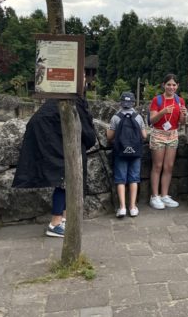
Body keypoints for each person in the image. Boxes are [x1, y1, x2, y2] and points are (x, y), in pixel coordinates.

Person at [13, 97, 97, 238]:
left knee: (65, 181)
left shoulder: (59, 98)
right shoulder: (74, 100)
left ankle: (65, 218)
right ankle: (55, 223)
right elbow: (87, 133)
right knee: (64, 180)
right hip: (56, 142)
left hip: (51, 138)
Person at [148, 73, 187, 210]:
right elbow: (152, 120)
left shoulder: (180, 100)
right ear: (163, 85)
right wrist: (162, 112)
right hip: (158, 134)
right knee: (157, 166)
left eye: (174, 85)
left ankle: (164, 195)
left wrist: (184, 115)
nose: (171, 87)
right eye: (169, 84)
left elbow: (182, 122)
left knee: (169, 166)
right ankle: (155, 196)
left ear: (177, 86)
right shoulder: (157, 100)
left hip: (173, 134)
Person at [107, 91, 147, 218]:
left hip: (120, 152)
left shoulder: (116, 117)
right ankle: (133, 207)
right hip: (135, 152)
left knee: (121, 179)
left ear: (121, 102)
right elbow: (144, 135)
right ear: (133, 103)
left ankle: (122, 207)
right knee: (134, 178)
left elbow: (109, 136)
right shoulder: (138, 117)